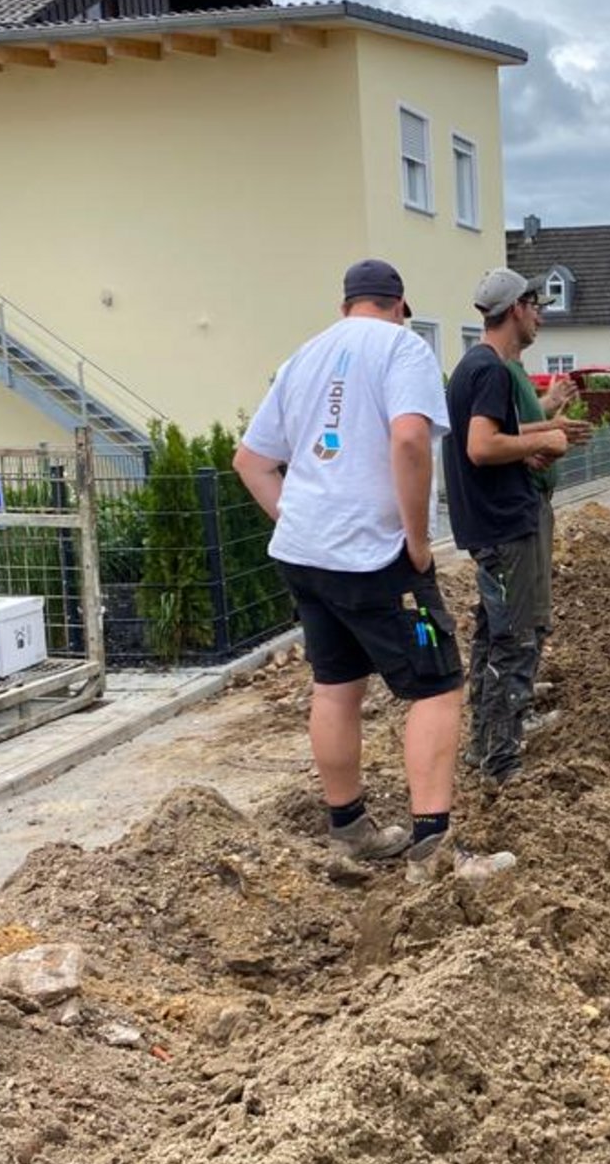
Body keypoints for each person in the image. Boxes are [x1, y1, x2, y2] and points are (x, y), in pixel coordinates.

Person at [232, 258, 514, 883]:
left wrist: (297, 521)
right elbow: (411, 441)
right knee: (437, 685)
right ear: (398, 305)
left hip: (305, 556)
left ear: (345, 307)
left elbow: (250, 460)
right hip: (374, 555)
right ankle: (433, 849)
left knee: (336, 685)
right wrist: (416, 540)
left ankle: (350, 831)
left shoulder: (304, 356)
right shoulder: (401, 349)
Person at [442, 267, 588, 785]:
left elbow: (494, 435)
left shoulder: (473, 367)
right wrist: (542, 444)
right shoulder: (493, 372)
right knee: (516, 639)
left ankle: (487, 746)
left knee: (493, 637)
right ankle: (502, 763)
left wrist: (545, 427)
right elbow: (482, 446)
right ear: (517, 309)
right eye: (537, 307)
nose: (540, 317)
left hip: (490, 525)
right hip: (506, 525)